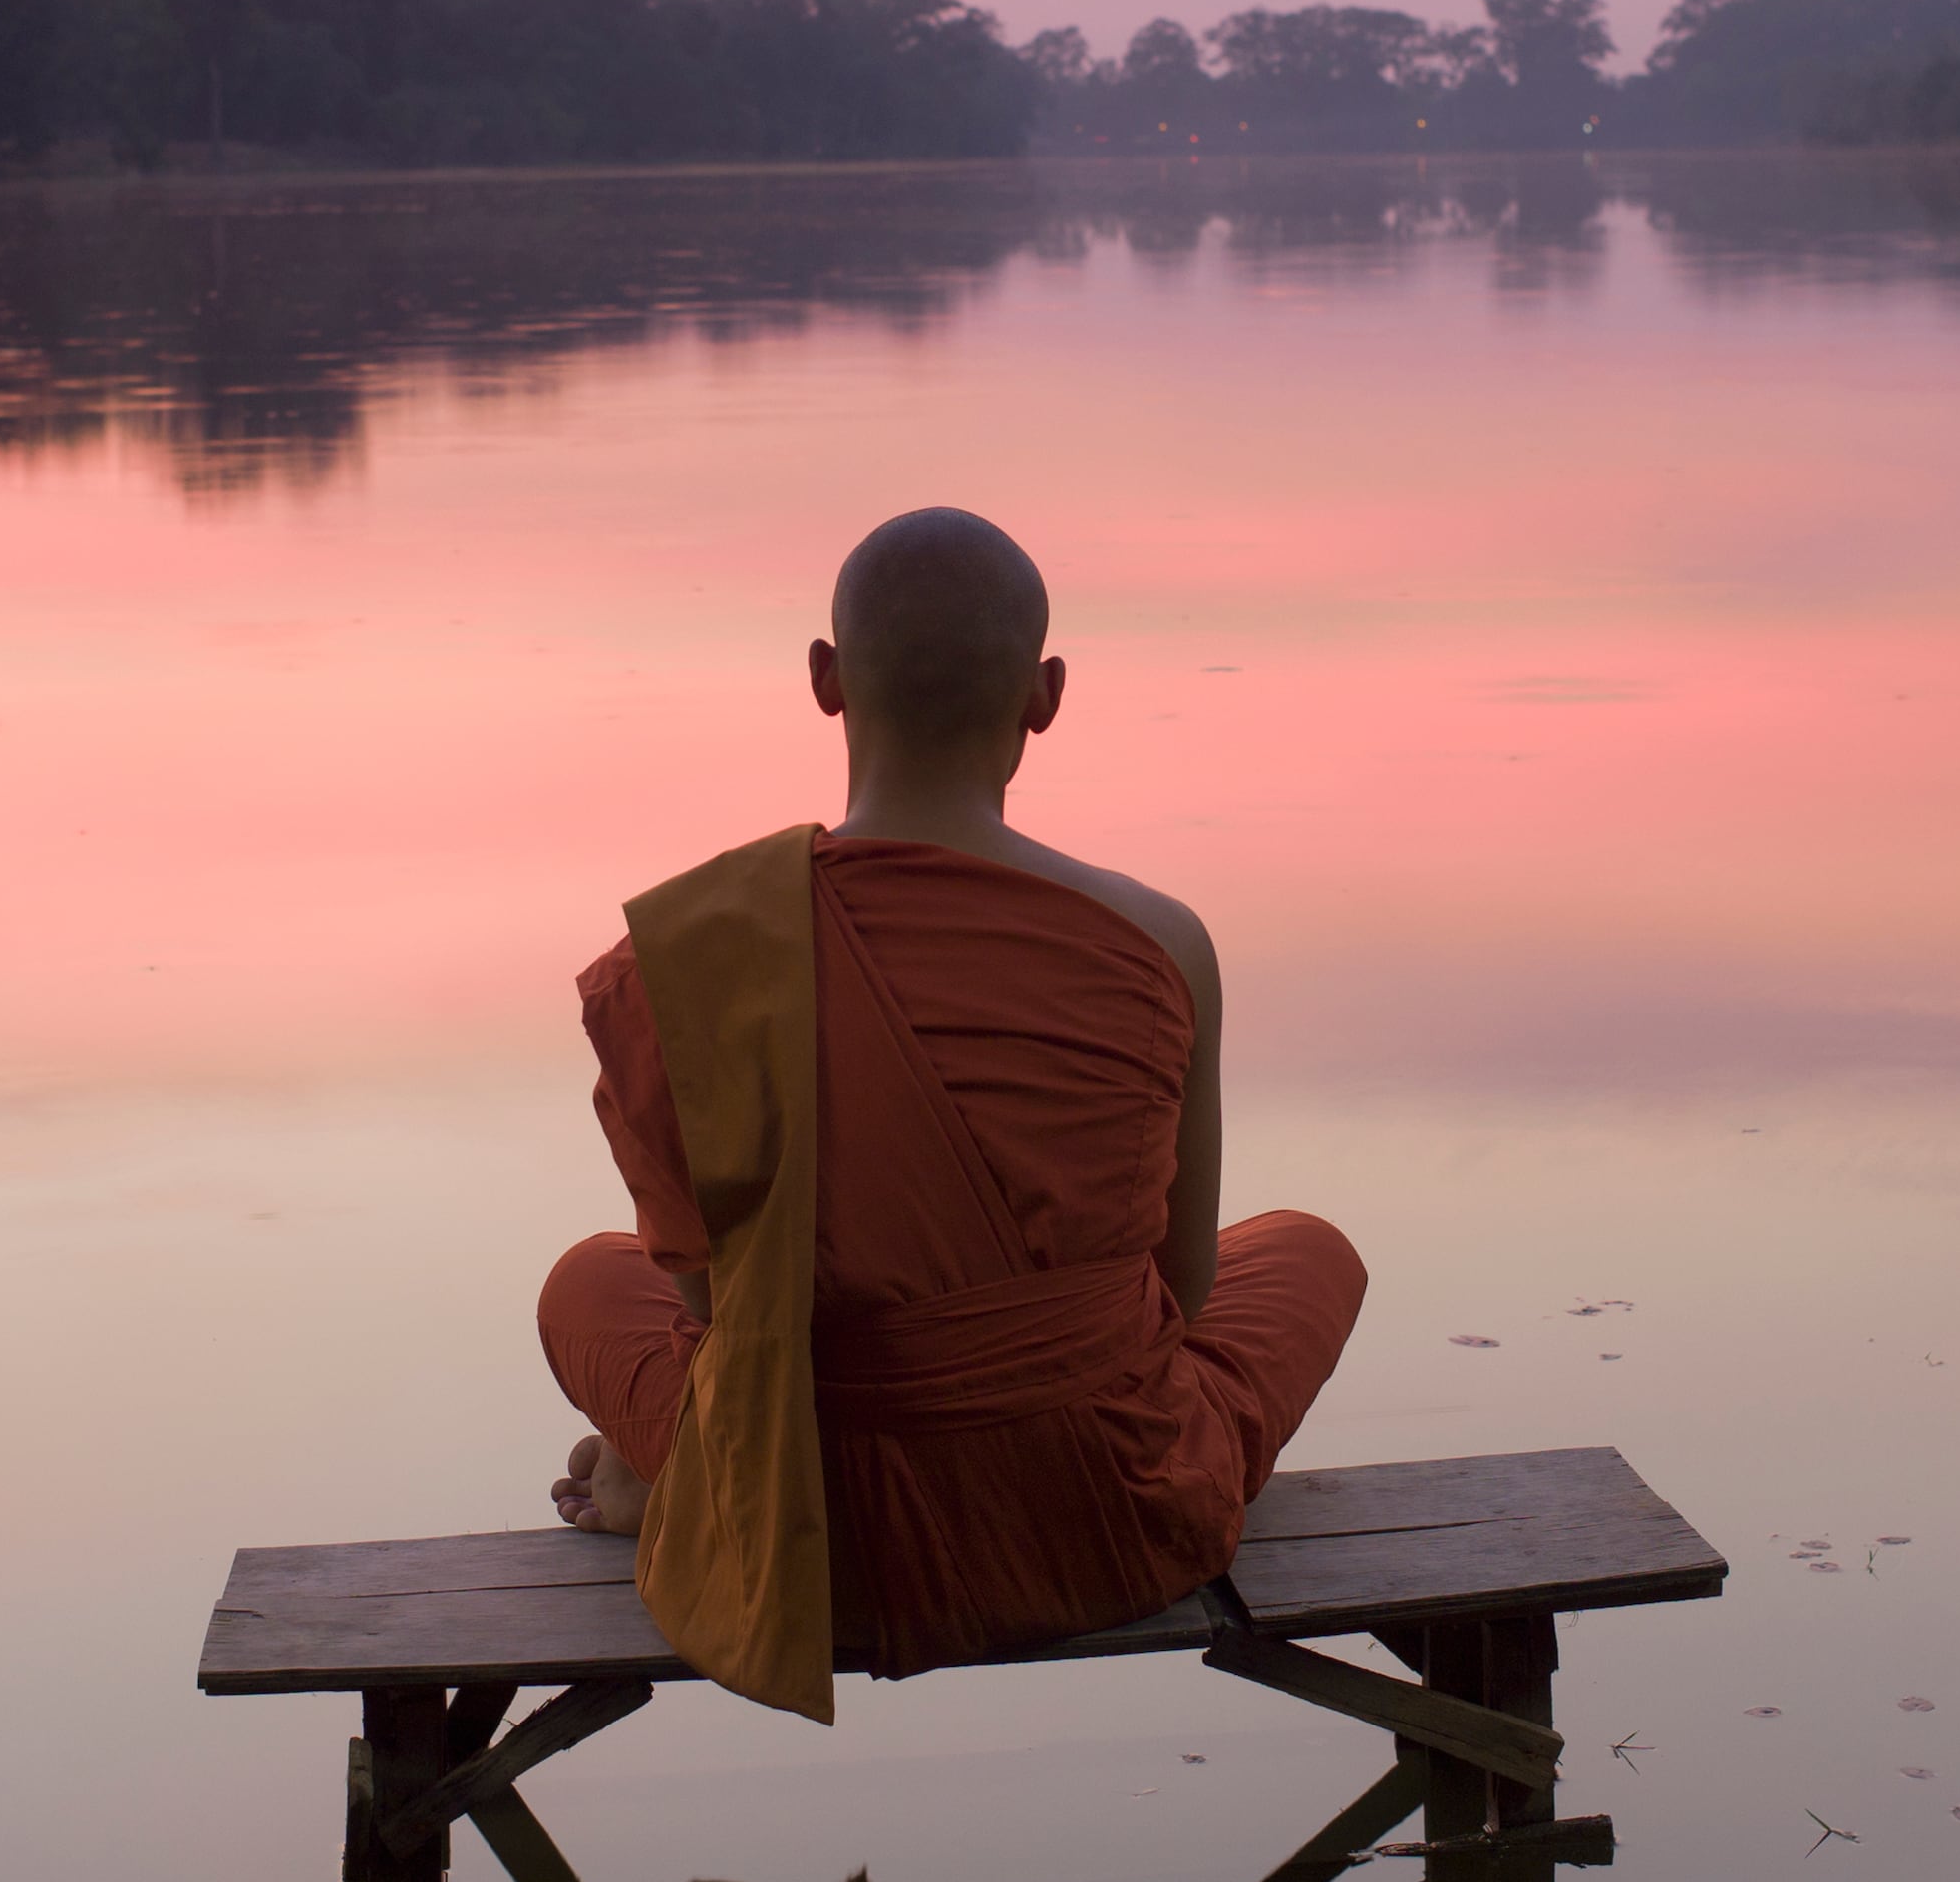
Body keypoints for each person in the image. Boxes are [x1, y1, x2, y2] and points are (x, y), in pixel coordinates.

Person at [536, 507, 1366, 1717]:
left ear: (824, 680)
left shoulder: (689, 959)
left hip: (806, 1529)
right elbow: (1181, 1298)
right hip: (1109, 1520)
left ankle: (664, 1485)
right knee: (1303, 1255)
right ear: (1044, 694)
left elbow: (722, 1317)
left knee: (586, 1283)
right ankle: (674, 1475)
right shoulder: (1157, 942)